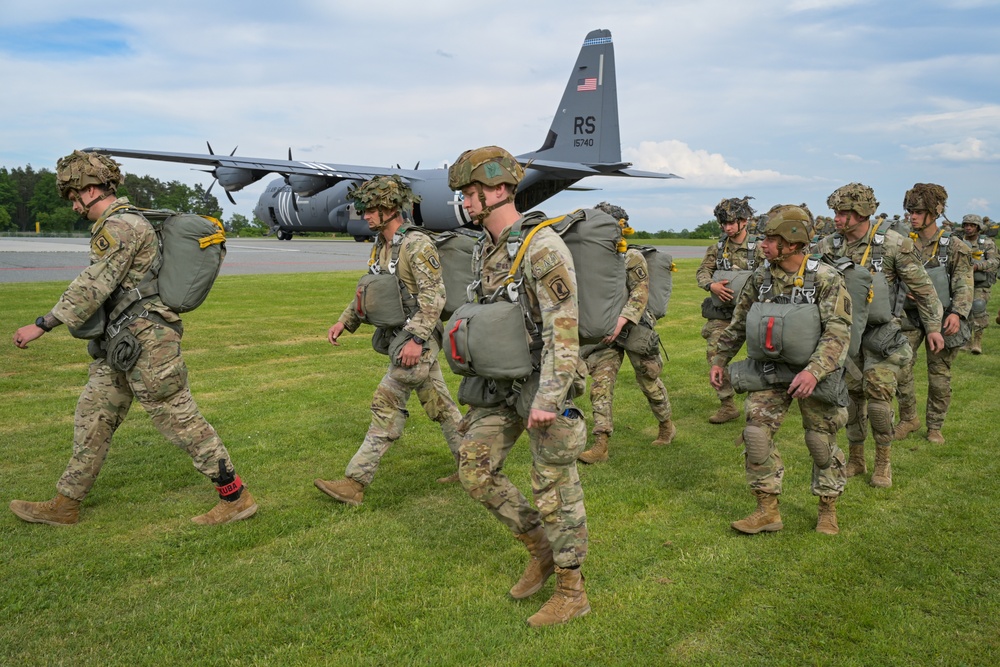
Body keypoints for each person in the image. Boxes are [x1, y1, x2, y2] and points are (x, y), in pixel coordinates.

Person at [9, 150, 257, 526]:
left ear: (92, 189)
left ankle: (235, 497)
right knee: (93, 415)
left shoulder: (122, 226)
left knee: (179, 418)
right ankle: (66, 503)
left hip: (149, 341)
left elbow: (94, 284)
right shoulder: (123, 223)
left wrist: (44, 323)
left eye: (75, 196)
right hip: (121, 343)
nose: (74, 205)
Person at [447, 146, 590, 627]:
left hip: (543, 384)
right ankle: (540, 548)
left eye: (472, 192)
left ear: (501, 190)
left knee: (553, 486)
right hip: (499, 385)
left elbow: (564, 331)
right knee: (474, 469)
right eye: (465, 193)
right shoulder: (486, 248)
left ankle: (572, 590)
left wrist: (550, 398)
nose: (466, 201)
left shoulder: (543, 247)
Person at [315, 175, 464, 506]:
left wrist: (416, 340)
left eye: (371, 210)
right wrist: (345, 321)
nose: (365, 216)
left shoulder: (416, 245)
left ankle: (355, 482)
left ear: (390, 210)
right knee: (441, 406)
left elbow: (434, 296)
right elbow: (371, 290)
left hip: (415, 341)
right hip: (400, 337)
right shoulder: (381, 246)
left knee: (386, 404)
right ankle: (474, 466)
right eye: (364, 210)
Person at [710, 205, 851, 535]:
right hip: (770, 371)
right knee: (756, 435)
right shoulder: (761, 278)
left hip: (814, 374)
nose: (762, 244)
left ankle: (827, 508)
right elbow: (740, 323)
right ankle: (767, 510)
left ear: (792, 242)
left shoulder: (826, 279)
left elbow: (838, 331)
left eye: (770, 239)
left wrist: (814, 371)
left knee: (820, 442)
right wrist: (720, 360)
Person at [817, 183, 943, 487]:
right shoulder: (826, 247)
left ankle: (883, 463)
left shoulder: (892, 245)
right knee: (849, 399)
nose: (837, 217)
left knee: (878, 398)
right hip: (845, 338)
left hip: (881, 336)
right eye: (835, 211)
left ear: (862, 213)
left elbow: (924, 290)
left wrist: (935, 327)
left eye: (844, 212)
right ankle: (857, 459)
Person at [578, 203, 675, 464]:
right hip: (605, 333)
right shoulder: (590, 261)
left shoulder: (632, 257)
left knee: (649, 381)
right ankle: (601, 444)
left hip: (633, 327)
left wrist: (620, 323)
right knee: (601, 386)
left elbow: (640, 292)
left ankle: (666, 425)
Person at [894, 184, 973, 445]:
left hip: (943, 318)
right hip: (909, 317)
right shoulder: (902, 244)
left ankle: (935, 426)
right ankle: (908, 418)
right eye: (910, 211)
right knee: (900, 368)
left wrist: (958, 314)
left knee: (939, 377)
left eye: (917, 212)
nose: (912, 217)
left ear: (934, 212)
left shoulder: (954, 246)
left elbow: (963, 282)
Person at [697, 196, 761, 424]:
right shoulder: (717, 248)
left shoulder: (761, 247)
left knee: (765, 356)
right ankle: (727, 404)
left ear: (745, 221)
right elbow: (702, 272)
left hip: (756, 314)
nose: (727, 227)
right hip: (724, 315)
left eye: (731, 222)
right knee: (715, 354)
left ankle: (764, 402)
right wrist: (711, 285)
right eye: (723, 224)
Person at [959, 214, 998, 354]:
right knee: (963, 310)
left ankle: (977, 341)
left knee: (978, 308)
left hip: (980, 283)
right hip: (962, 282)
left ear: (978, 227)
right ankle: (966, 341)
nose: (968, 228)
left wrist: (977, 266)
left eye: (972, 225)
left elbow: (995, 262)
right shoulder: (958, 241)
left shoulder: (986, 243)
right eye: (966, 225)